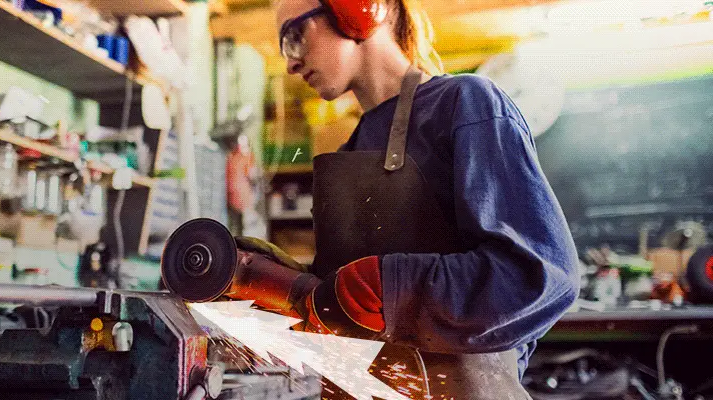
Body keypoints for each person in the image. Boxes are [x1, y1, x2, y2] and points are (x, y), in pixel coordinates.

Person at [234, 0, 580, 398]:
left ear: (358, 9)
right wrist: (270, 283)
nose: (291, 65)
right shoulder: (348, 153)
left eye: (295, 38)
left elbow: (540, 274)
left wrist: (393, 287)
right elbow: (339, 307)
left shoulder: (466, 104)